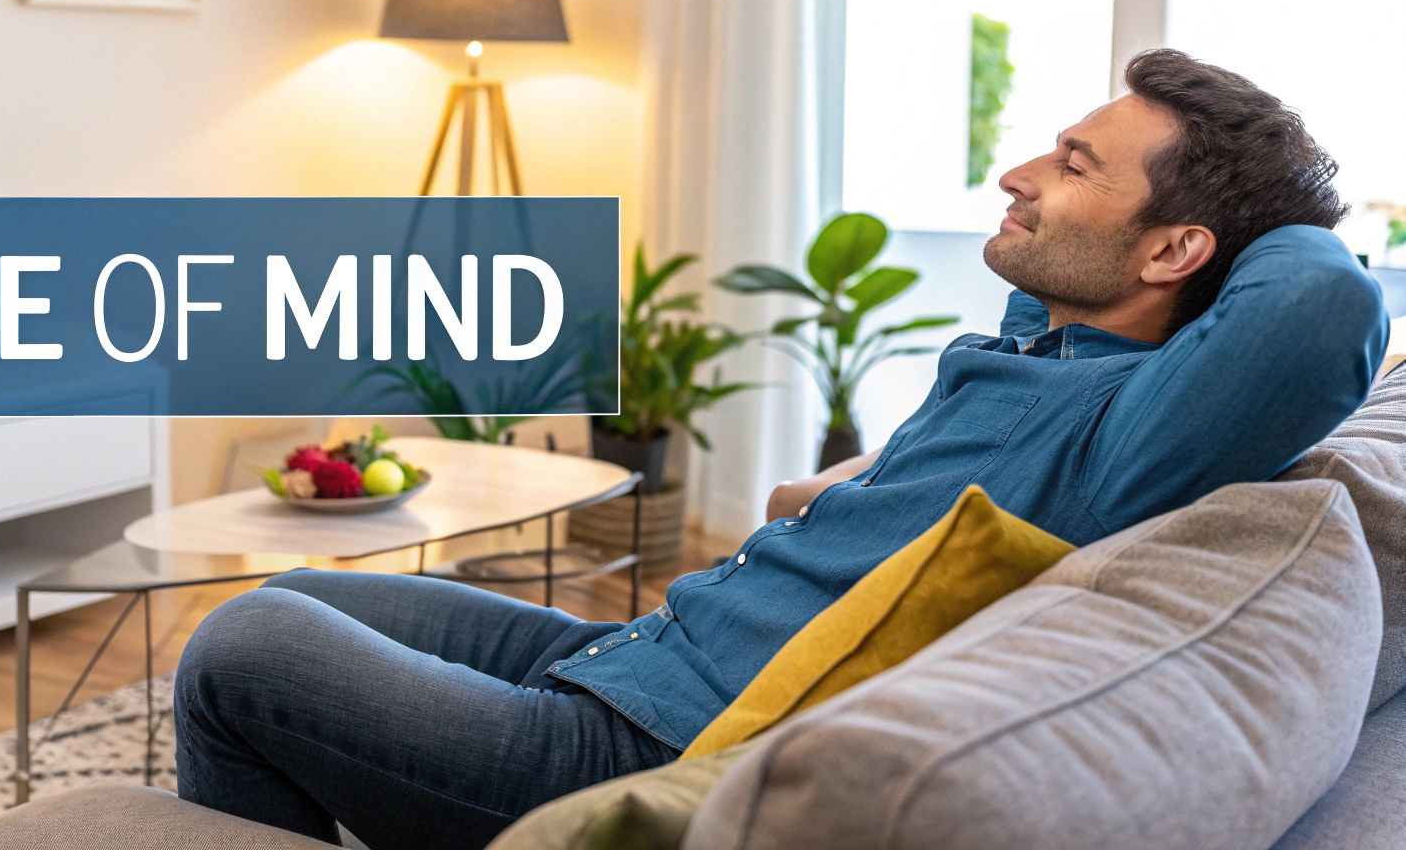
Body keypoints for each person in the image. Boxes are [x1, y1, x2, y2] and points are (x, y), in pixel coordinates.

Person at [173, 50, 1392, 850]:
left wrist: (1283, 210)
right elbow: (1077, 279)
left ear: (1173, 252)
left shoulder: (1124, 429)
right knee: (296, 591)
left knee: (245, 645)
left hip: (633, 746)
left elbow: (1319, 300)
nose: (1015, 174)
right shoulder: (1050, 351)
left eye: (1070, 165)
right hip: (634, 653)